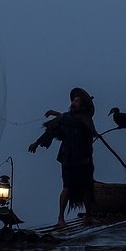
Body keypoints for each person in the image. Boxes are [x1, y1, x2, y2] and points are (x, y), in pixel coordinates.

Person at [28, 86, 98, 226]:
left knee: (86, 186)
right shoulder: (66, 117)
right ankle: (61, 218)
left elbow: (81, 125)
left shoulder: (85, 119)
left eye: (77, 101)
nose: (73, 103)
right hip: (68, 156)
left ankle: (89, 216)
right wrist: (37, 142)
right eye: (73, 101)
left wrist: (58, 114)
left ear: (83, 105)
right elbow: (51, 130)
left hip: (84, 157)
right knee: (67, 186)